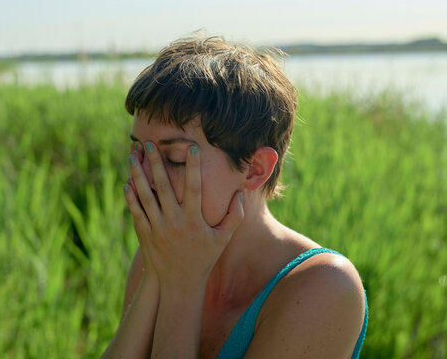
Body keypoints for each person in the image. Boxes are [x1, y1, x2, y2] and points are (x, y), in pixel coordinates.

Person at [102, 35, 368, 359]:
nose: (144, 175)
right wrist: (160, 275)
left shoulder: (324, 286)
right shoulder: (157, 257)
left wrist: (182, 288)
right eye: (138, 152)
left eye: (174, 159)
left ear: (255, 169)